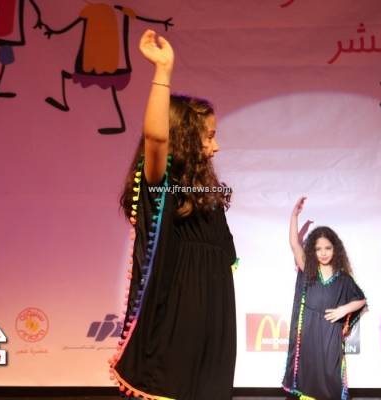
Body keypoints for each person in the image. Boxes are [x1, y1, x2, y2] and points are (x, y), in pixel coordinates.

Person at [108, 29, 237, 400]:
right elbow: (156, 139)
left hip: (212, 330)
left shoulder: (207, 197)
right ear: (185, 138)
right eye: (208, 136)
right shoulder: (162, 187)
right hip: (174, 329)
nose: (216, 146)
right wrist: (163, 72)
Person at [282, 197, 367, 400]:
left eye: (327, 248)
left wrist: (343, 310)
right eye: (319, 249)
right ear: (313, 250)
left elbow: (361, 300)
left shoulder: (343, 278)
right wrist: (294, 215)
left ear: (335, 249)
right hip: (309, 330)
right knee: (308, 374)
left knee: (331, 373)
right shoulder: (308, 268)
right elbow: (294, 244)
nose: (323, 253)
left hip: (330, 331)